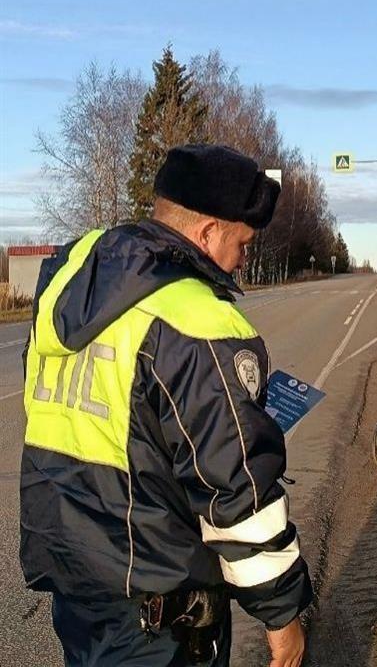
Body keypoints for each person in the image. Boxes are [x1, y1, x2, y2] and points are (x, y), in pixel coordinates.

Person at [20, 144, 312, 666]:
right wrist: (283, 618)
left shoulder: (75, 293)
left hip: (79, 596)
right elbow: (237, 491)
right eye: (241, 244)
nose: (243, 260)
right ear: (206, 234)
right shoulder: (195, 322)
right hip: (160, 621)